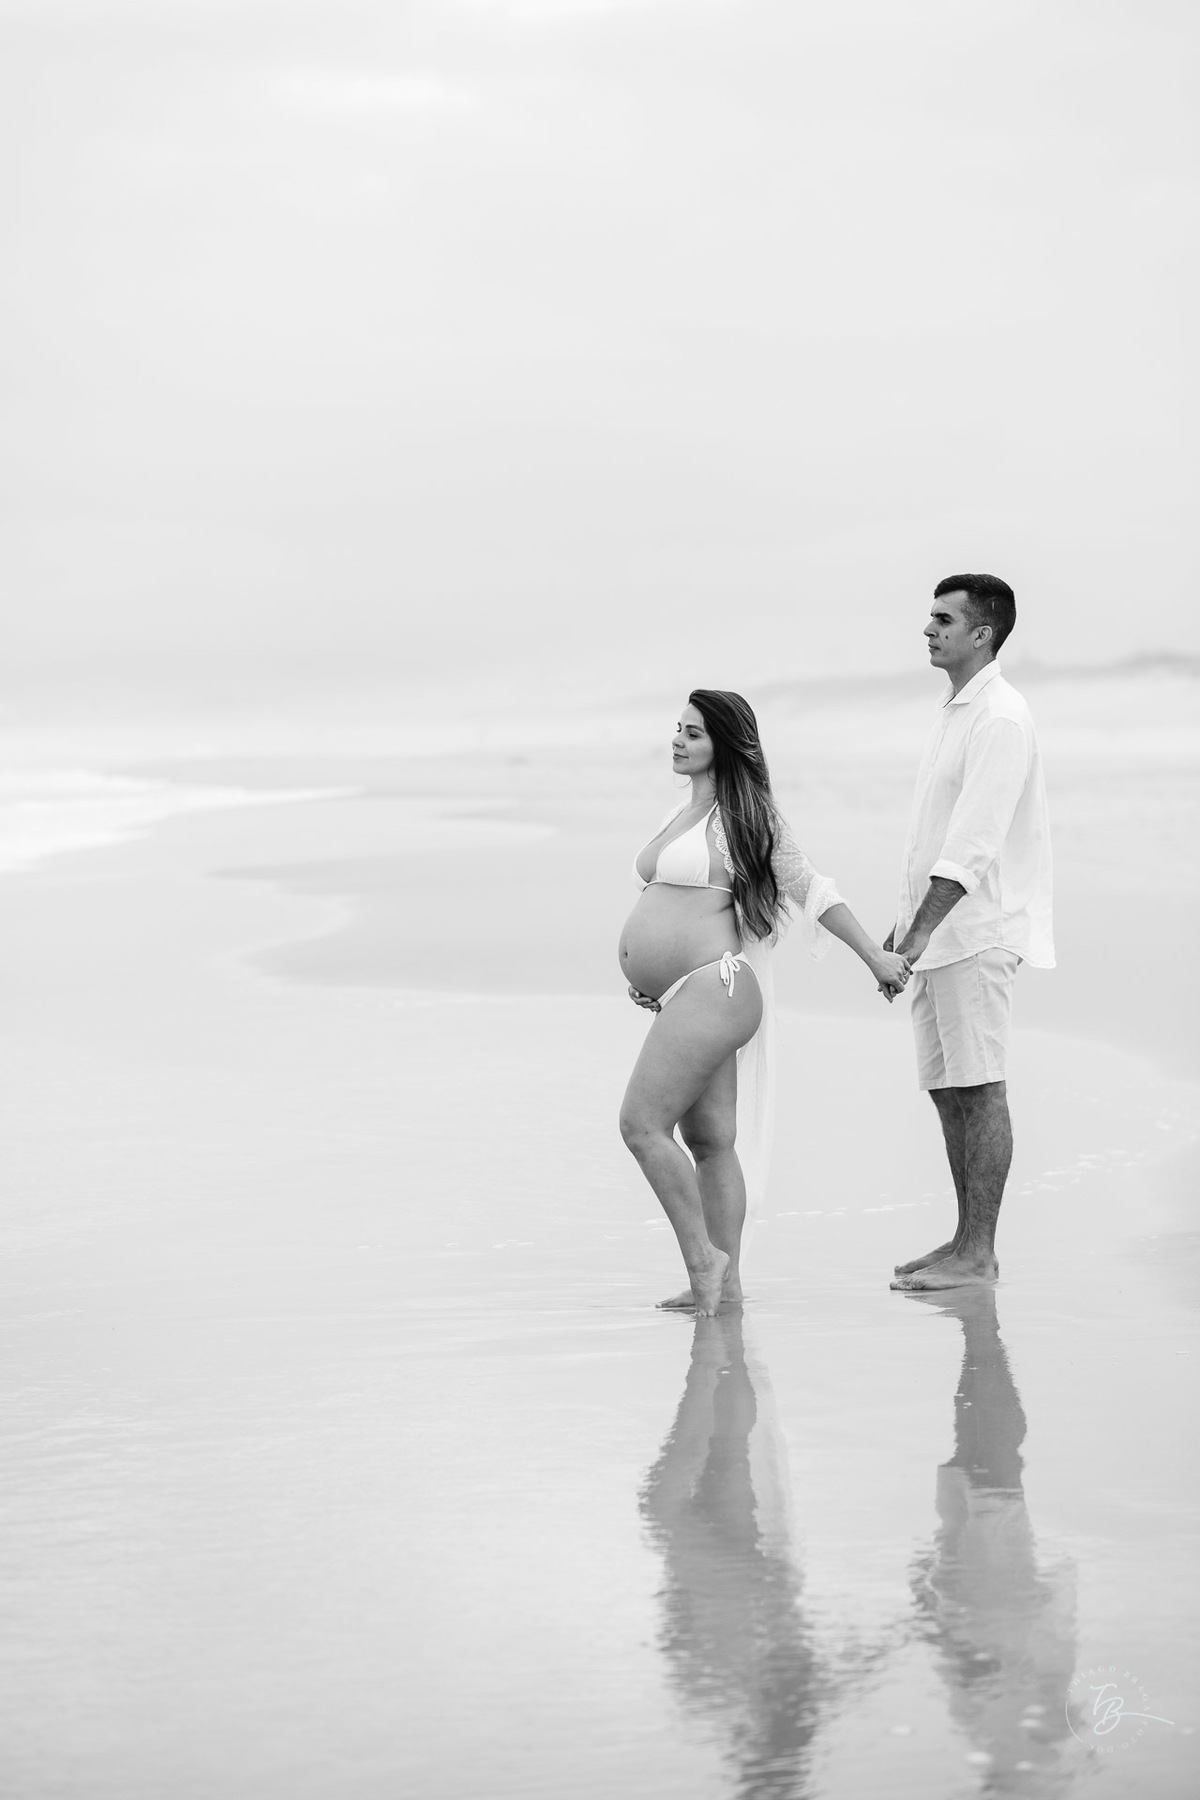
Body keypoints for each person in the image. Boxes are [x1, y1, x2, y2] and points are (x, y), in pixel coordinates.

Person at [619, 688, 910, 1315]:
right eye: (678, 728)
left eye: (694, 733)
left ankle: (704, 1260)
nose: (678, 740)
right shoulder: (681, 812)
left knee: (640, 1125)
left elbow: (812, 888)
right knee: (711, 1140)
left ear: (725, 743)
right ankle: (729, 1286)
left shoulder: (746, 816)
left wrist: (875, 957)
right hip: (685, 993)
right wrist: (647, 971)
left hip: (716, 985)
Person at [887, 575, 1054, 1293]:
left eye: (943, 618)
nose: (928, 628)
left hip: (977, 931)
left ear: (982, 632)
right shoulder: (955, 712)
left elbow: (976, 842)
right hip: (940, 931)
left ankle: (979, 1252)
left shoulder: (1000, 717)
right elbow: (934, 835)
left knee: (980, 1088)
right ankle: (962, 1239)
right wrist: (906, 924)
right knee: (947, 1089)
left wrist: (919, 933)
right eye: (930, 616)